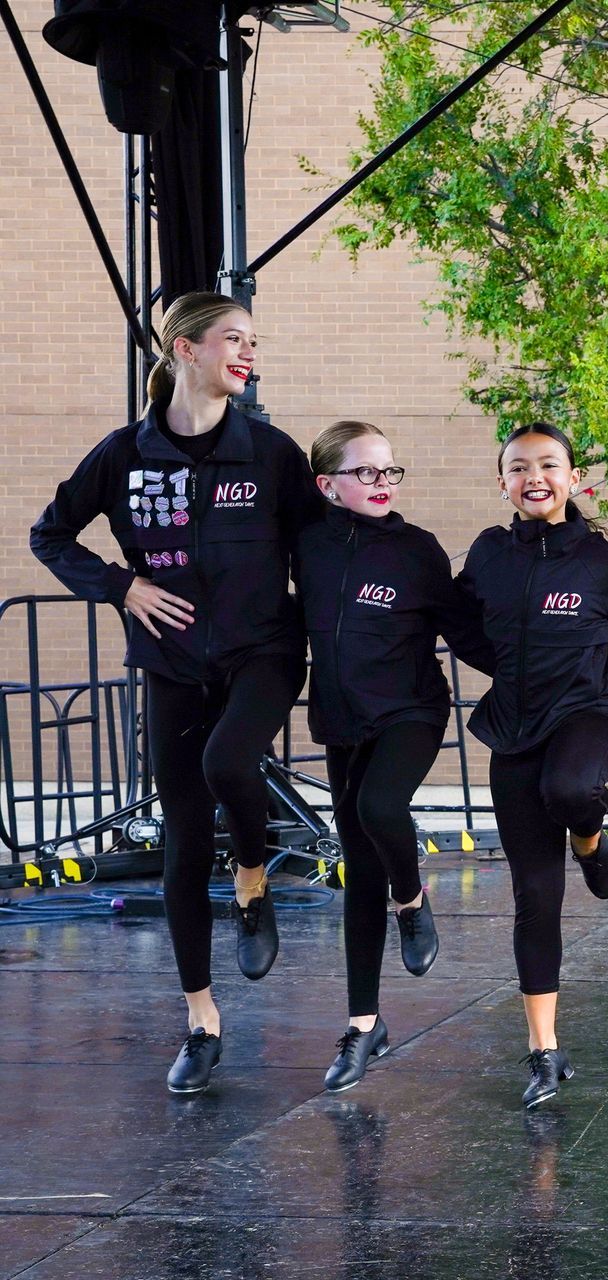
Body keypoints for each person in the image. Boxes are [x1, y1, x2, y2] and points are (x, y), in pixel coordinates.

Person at [31, 292, 324, 1093]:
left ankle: (255, 883)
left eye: (254, 342)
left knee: (232, 760)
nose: (249, 353)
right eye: (235, 339)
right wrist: (121, 586)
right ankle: (201, 1021)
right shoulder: (124, 455)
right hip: (171, 665)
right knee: (185, 835)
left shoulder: (271, 453)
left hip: (263, 651)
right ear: (185, 349)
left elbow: (319, 550)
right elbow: (49, 533)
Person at [455, 422, 608, 1108]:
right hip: (513, 731)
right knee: (536, 899)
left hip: (585, 717)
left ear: (574, 478)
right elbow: (459, 622)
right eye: (519, 467)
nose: (533, 476)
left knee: (571, 790)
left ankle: (591, 840)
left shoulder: (602, 560)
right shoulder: (488, 553)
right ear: (503, 482)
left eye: (548, 465)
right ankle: (544, 1050)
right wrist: (508, 666)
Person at [296, 419, 493, 1092]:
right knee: (358, 869)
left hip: (412, 711)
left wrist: (536, 668)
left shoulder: (416, 551)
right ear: (328, 485)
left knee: (380, 806)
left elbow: (466, 631)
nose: (382, 483)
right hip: (343, 723)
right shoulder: (307, 548)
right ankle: (362, 1026)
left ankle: (412, 900)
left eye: (389, 471)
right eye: (366, 473)